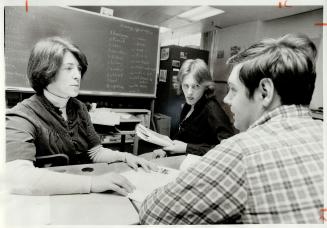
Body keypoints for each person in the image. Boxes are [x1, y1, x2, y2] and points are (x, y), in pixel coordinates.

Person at [139, 33, 323, 224]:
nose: (226, 99)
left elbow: (153, 213)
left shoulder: (241, 152)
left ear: (265, 92)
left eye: (233, 89)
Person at [6, 36, 158, 196]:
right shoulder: (21, 115)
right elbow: (17, 178)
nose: (77, 76)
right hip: (48, 201)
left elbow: (95, 153)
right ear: (46, 72)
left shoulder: (78, 107)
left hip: (83, 193)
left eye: (79, 69)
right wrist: (92, 183)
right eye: (68, 68)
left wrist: (126, 156)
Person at [152, 59, 234, 158]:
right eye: (186, 86)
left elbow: (228, 149)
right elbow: (183, 137)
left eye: (196, 86)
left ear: (205, 86)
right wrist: (166, 150)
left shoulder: (212, 109)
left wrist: (187, 148)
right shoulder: (189, 104)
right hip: (182, 159)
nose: (189, 92)